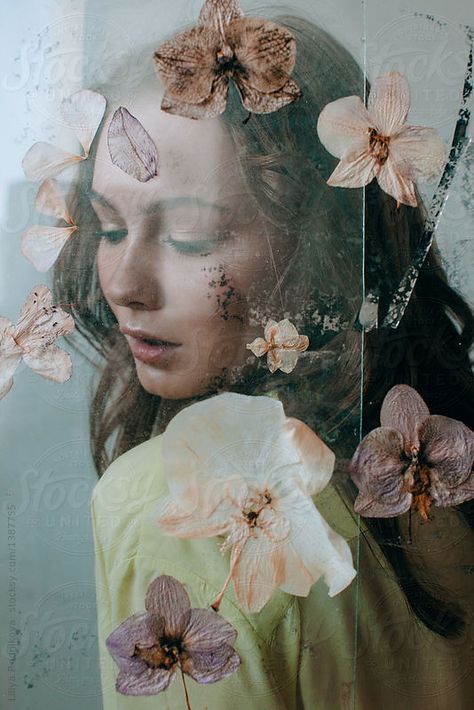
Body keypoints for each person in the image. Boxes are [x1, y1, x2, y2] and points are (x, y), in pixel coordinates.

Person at [53, 9, 474, 709]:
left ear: (320, 250)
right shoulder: (431, 465)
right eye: (110, 225)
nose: (124, 285)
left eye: (190, 238)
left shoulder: (175, 501)